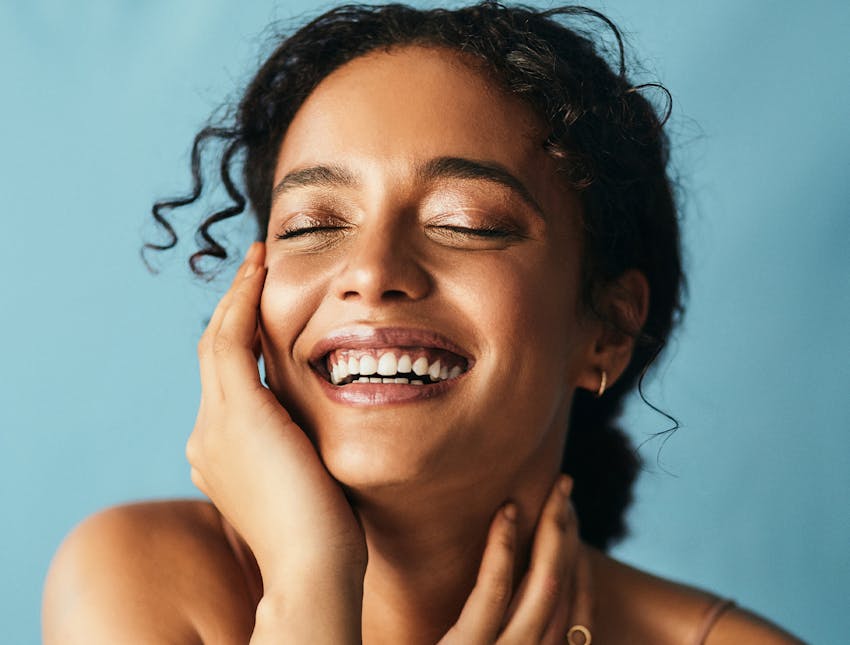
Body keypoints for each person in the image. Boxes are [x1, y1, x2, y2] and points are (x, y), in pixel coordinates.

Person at [42, 3, 804, 643]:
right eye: (312, 224)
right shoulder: (138, 578)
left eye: (466, 222)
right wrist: (309, 579)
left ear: (606, 327)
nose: (372, 271)